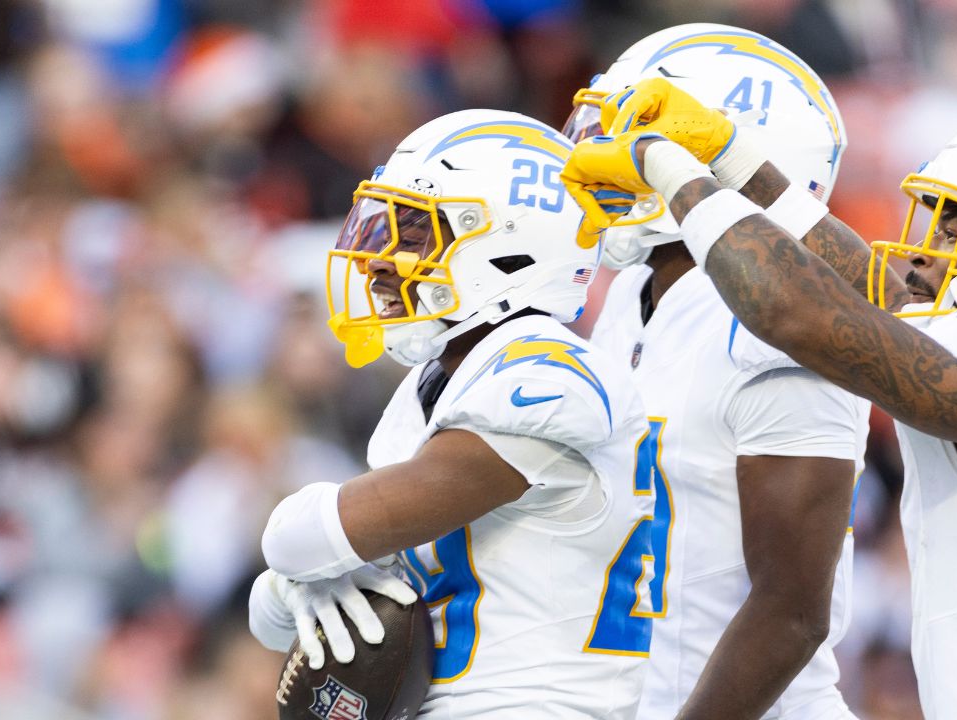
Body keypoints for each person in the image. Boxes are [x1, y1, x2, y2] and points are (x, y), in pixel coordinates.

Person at [562, 84, 957, 718]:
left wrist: (674, 174)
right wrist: (736, 160)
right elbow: (875, 301)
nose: (925, 248)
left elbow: (800, 314)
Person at [248, 109, 654, 718]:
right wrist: (293, 589)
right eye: (380, 230)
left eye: (412, 236)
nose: (376, 260)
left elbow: (313, 535)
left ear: (511, 249)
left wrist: (295, 557)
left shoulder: (548, 372)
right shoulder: (435, 383)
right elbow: (303, 597)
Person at [563, 25, 868, 720]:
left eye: (635, 134)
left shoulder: (772, 327)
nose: (600, 156)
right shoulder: (631, 303)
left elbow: (791, 614)